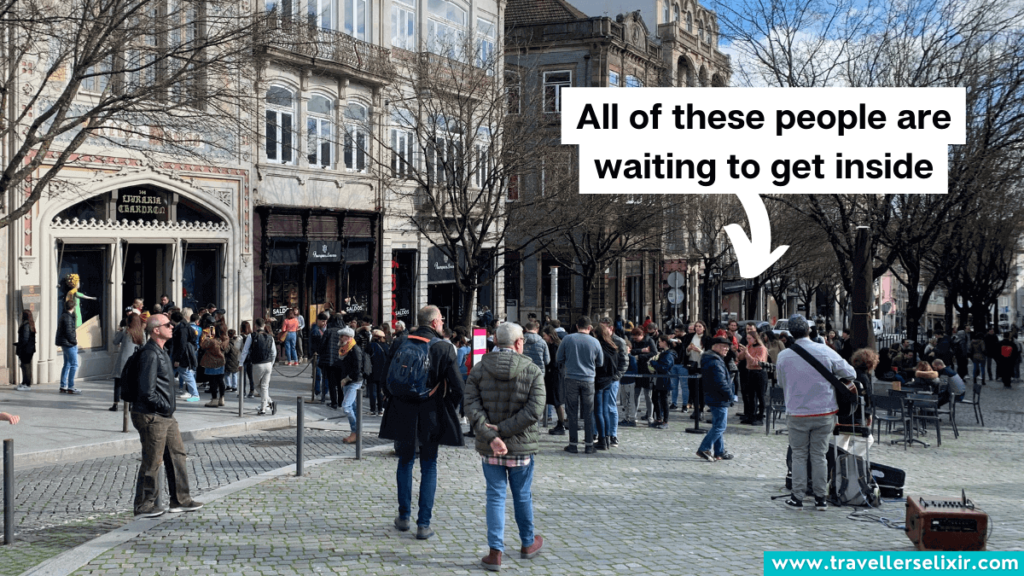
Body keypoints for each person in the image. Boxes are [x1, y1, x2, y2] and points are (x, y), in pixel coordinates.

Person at [464, 322, 546, 571]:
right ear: (519, 342)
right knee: (522, 496)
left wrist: (491, 436)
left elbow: (470, 406)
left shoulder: (479, 369)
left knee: (495, 497)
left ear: (495, 342)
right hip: (520, 446)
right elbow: (535, 410)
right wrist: (506, 430)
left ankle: (495, 551)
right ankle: (527, 542)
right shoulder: (532, 370)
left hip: (491, 448)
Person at [379, 305, 464, 540]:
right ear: (436, 322)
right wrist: (447, 407)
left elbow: (385, 379)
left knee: (405, 461)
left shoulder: (399, 342)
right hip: (431, 412)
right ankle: (423, 524)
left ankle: (403, 517)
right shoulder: (444, 348)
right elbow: (458, 387)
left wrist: (398, 398)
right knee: (429, 465)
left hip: (402, 411)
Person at [776, 314, 855, 512]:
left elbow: (780, 383)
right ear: (809, 330)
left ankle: (798, 497)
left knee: (799, 455)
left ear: (791, 334)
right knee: (819, 455)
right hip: (824, 410)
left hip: (797, 412)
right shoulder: (824, 350)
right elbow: (850, 373)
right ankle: (821, 498)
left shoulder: (784, 355)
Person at [131, 314, 203, 518]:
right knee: (152, 460)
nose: (172, 327)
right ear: (156, 330)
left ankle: (180, 499)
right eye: (167, 325)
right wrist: (163, 406)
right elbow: (147, 390)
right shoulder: (150, 354)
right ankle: (144, 504)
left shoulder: (162, 351)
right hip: (152, 414)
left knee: (177, 455)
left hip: (165, 415)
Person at [555, 316, 604, 455]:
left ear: (577, 326)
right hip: (588, 379)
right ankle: (589, 445)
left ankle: (573, 444)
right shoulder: (595, 342)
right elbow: (600, 362)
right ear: (590, 328)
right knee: (588, 412)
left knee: (572, 412)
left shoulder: (568, 339)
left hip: (571, 378)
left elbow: (559, 358)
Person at [696, 335, 734, 462]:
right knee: (720, 426)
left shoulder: (713, 358)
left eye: (728, 347)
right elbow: (720, 383)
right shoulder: (714, 361)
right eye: (724, 347)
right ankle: (704, 448)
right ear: (716, 346)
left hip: (715, 396)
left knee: (718, 424)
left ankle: (720, 451)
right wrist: (730, 396)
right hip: (719, 397)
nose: (727, 349)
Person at [841, 348, 877, 459]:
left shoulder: (846, 373)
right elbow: (867, 399)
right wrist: (868, 415)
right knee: (867, 439)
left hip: (841, 414)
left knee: (841, 441)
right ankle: (846, 459)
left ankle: (838, 461)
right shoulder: (864, 377)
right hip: (856, 417)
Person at [334, 327, 365, 443]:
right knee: (353, 408)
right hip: (346, 381)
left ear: (348, 337)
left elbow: (357, 368)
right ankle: (357, 433)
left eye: (342, 336)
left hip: (353, 381)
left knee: (346, 407)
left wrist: (347, 378)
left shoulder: (354, 349)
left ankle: (355, 431)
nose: (340, 338)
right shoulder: (344, 348)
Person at [111, 314, 145, 411]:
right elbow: (144, 346)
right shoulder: (141, 333)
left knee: (118, 382)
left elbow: (115, 341)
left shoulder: (125, 331)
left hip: (123, 360)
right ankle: (130, 404)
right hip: (134, 361)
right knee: (132, 383)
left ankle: (115, 404)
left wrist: (118, 331)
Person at [738, 325, 768, 426]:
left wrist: (748, 354)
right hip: (750, 372)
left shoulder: (762, 348)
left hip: (759, 373)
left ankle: (760, 417)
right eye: (747, 339)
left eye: (749, 339)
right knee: (750, 396)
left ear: (755, 339)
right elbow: (741, 358)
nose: (748, 340)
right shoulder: (749, 346)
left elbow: (757, 362)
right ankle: (751, 416)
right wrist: (741, 351)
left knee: (760, 396)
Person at [540, 326, 567, 434]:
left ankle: (561, 424)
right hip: (556, 375)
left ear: (549, 335)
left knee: (557, 401)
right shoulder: (555, 345)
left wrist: (548, 366)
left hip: (556, 376)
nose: (543, 338)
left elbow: (555, 362)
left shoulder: (555, 346)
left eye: (544, 335)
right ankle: (561, 424)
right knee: (556, 401)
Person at [250, 318, 277, 415]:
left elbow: (245, 351)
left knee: (257, 386)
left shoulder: (252, 336)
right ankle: (266, 406)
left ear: (255, 326)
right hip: (268, 364)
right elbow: (274, 353)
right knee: (265, 387)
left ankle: (266, 405)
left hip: (258, 364)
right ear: (264, 325)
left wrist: (240, 363)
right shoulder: (270, 337)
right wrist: (271, 363)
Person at [648, 335, 677, 429]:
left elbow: (664, 368)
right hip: (659, 379)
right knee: (655, 398)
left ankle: (665, 421)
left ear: (664, 342)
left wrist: (653, 363)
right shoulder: (664, 353)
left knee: (664, 400)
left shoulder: (668, 354)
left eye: (660, 341)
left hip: (665, 380)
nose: (659, 343)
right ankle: (658, 418)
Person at [55, 299, 81, 394]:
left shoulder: (63, 316)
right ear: (73, 307)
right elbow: (69, 332)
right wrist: (75, 342)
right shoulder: (68, 318)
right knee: (74, 365)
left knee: (67, 364)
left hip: (65, 343)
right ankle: (70, 386)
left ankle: (63, 385)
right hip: (69, 344)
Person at [200, 325, 229, 407]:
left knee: (213, 382)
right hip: (221, 362)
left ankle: (214, 399)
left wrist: (207, 336)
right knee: (220, 380)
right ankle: (222, 398)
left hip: (211, 362)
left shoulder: (212, 341)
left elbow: (203, 345)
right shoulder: (225, 340)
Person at [368, 329, 390, 416]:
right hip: (383, 372)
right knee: (380, 392)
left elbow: (366, 358)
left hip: (372, 371)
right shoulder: (386, 346)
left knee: (372, 391)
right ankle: (381, 409)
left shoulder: (371, 346)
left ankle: (373, 409)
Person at [16, 310, 36, 390]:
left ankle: (27, 384)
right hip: (29, 349)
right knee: (24, 366)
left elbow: (25, 338)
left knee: (26, 366)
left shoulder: (26, 325)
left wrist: (20, 345)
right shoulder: (30, 324)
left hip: (26, 349)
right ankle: (24, 382)